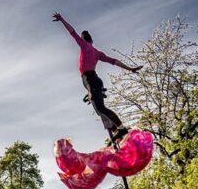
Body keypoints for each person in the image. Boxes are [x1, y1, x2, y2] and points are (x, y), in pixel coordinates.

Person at [52, 12, 143, 143]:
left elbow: (72, 32)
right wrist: (130, 69)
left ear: (84, 40)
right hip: (94, 80)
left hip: (90, 80)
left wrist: (61, 19)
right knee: (99, 108)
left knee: (100, 108)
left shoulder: (84, 45)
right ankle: (115, 129)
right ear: (92, 40)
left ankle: (121, 128)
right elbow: (114, 61)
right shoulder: (97, 52)